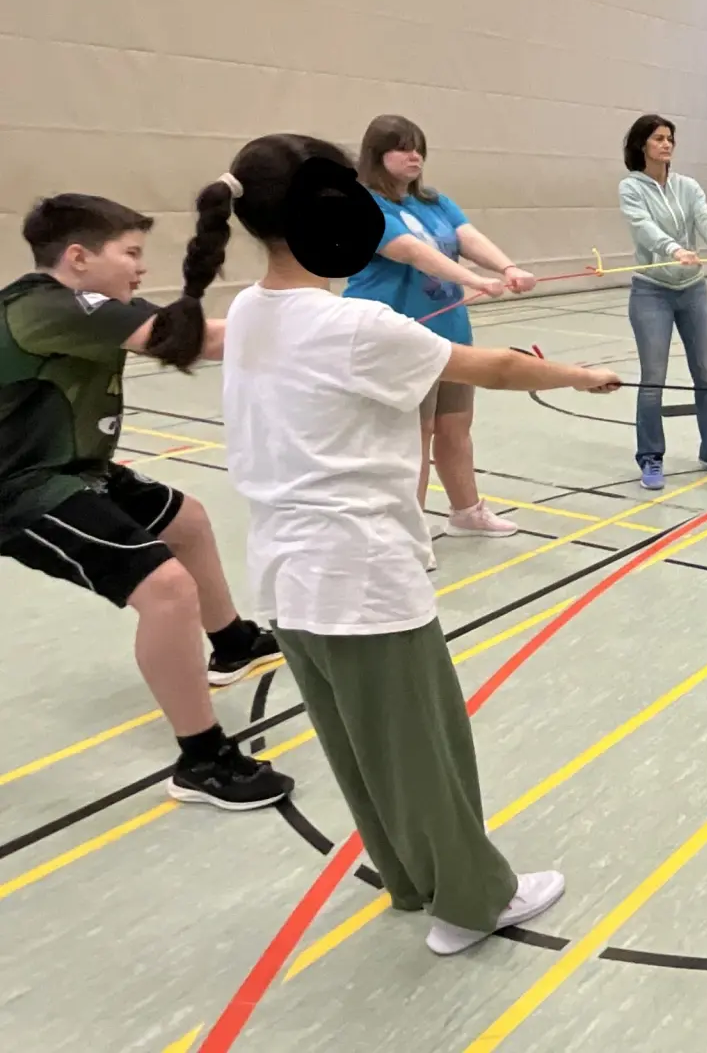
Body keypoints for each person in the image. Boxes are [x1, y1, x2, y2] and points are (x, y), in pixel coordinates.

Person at [151, 134, 624, 955]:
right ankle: (471, 901)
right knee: (421, 748)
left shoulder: (254, 311)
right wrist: (580, 375)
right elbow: (491, 367)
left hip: (287, 579)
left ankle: (412, 878)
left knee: (364, 752)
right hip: (360, 573)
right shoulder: (356, 325)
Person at [1, 195, 287, 810]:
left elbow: (188, 334)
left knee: (188, 521)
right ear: (78, 258)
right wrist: (316, 325)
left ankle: (234, 643)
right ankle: (202, 760)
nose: (140, 267)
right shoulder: (46, 306)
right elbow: (193, 342)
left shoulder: (80, 306)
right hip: (19, 489)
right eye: (130, 253)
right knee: (166, 590)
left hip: (76, 468)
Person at [346, 115, 535, 543]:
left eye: (419, 148)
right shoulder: (364, 206)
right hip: (399, 334)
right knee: (415, 434)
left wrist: (507, 267)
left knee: (455, 425)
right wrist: (475, 280)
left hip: (448, 331)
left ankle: (466, 512)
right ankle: (408, 532)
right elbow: (411, 252)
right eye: (402, 148)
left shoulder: (434, 201)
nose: (414, 156)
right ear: (376, 155)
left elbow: (468, 237)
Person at [618, 114, 707, 491]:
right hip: (651, 292)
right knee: (653, 379)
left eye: (669, 138)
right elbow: (644, 228)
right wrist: (674, 249)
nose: (666, 144)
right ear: (642, 145)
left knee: (705, 374)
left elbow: (703, 217)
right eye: (658, 138)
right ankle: (650, 457)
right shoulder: (630, 188)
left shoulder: (688, 186)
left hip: (693, 290)